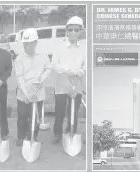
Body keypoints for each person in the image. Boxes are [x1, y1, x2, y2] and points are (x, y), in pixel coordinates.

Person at [51, 16, 86, 144]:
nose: (73, 32)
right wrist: (66, 70)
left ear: (80, 31)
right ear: (66, 30)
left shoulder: (83, 47)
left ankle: (71, 132)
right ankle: (57, 134)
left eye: (76, 30)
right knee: (59, 111)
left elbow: (86, 65)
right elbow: (54, 64)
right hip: (61, 85)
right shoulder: (59, 47)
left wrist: (80, 72)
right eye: (70, 29)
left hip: (76, 86)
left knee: (74, 111)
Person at [15, 28, 52, 146]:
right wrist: (26, 93)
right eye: (26, 44)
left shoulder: (43, 56)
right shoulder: (19, 58)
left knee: (35, 117)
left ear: (36, 43)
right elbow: (19, 77)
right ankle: (21, 137)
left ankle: (33, 137)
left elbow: (48, 69)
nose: (28, 47)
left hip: (38, 92)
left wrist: (41, 79)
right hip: (23, 93)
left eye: (31, 44)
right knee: (22, 116)